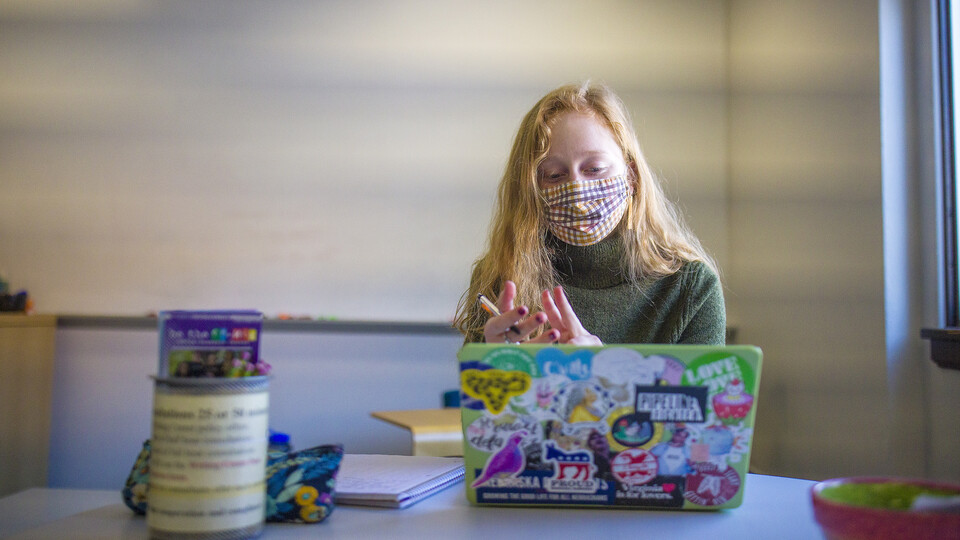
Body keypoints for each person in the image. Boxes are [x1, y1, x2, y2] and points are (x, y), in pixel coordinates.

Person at [453, 82, 725, 345]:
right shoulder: (501, 275)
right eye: (554, 175)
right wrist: (493, 370)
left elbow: (709, 393)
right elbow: (476, 393)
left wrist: (600, 371)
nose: (578, 192)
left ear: (631, 176)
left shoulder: (690, 288)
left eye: (594, 169)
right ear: (530, 190)